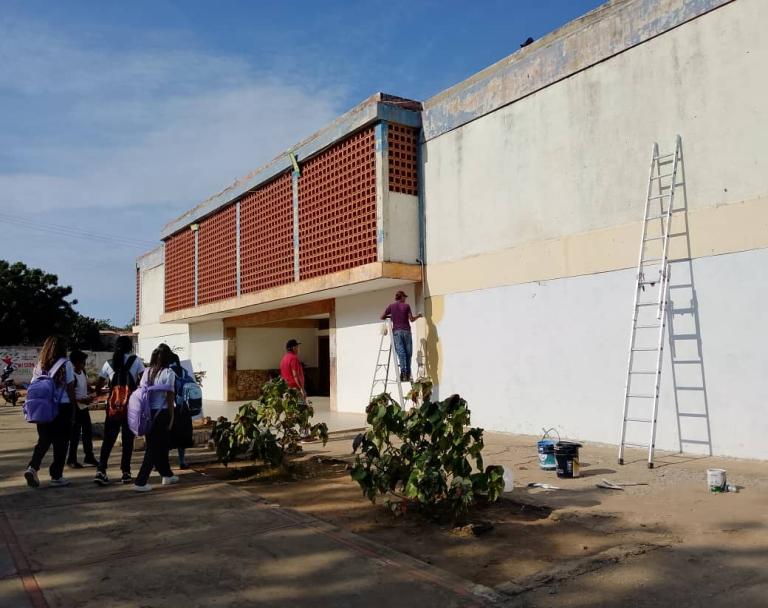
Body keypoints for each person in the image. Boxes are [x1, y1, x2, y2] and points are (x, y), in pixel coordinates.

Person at [24, 336, 76, 488]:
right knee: (61, 442)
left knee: (44, 440)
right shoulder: (66, 364)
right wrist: (74, 408)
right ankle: (56, 476)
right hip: (62, 407)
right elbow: (70, 388)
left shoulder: (39, 365)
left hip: (43, 407)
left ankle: (32, 467)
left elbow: (33, 385)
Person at [93, 336, 144, 486]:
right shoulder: (136, 361)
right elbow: (143, 382)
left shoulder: (108, 363)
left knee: (108, 440)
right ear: (130, 347)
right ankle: (126, 472)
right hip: (130, 407)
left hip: (113, 407)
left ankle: (101, 470)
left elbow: (98, 385)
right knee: (128, 440)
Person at [134, 343, 178, 492]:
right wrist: (172, 417)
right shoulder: (168, 373)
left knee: (161, 445)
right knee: (153, 448)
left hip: (147, 413)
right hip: (162, 413)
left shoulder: (146, 372)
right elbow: (170, 397)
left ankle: (167, 475)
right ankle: (141, 482)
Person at [381, 290, 422, 382]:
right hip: (406, 331)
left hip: (397, 332)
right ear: (402, 297)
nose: (405, 299)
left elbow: (382, 317)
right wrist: (418, 316)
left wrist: (392, 317)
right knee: (408, 353)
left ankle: (403, 373)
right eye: (405, 297)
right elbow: (411, 319)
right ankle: (407, 374)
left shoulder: (391, 306)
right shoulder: (406, 306)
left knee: (401, 353)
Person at [67, 350, 98, 468]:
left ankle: (89, 456)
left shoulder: (82, 372)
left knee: (87, 432)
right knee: (74, 435)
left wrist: (91, 390)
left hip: (84, 407)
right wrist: (80, 400)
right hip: (76, 408)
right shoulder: (72, 376)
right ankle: (71, 459)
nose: (84, 364)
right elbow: (70, 394)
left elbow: (85, 384)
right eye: (82, 362)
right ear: (75, 363)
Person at [169, 353, 194, 470]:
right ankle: (182, 461)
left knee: (167, 436)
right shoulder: (184, 372)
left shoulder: (167, 372)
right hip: (184, 409)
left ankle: (161, 463)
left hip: (171, 409)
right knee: (182, 437)